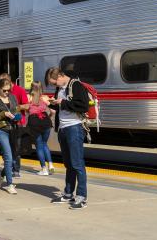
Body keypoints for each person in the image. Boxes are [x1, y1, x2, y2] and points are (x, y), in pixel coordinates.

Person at [46, 67, 90, 209]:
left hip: (74, 127)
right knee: (68, 164)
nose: (55, 86)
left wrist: (62, 103)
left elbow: (83, 106)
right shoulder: (60, 89)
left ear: (60, 75)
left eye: (54, 83)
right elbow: (62, 107)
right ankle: (68, 193)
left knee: (77, 163)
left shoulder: (76, 86)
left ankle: (81, 197)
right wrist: (53, 104)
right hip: (63, 129)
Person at [0, 73, 29, 177]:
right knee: (5, 149)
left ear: (9, 82)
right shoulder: (1, 92)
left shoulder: (20, 90)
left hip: (18, 124)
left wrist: (15, 108)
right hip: (4, 124)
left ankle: (16, 170)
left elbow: (27, 106)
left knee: (16, 148)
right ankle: (8, 168)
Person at [27, 81, 55, 175]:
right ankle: (51, 164)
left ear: (31, 88)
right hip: (45, 120)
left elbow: (26, 110)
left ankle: (44, 169)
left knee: (39, 146)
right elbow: (53, 111)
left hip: (34, 122)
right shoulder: (45, 97)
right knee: (44, 144)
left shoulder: (29, 97)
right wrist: (49, 117)